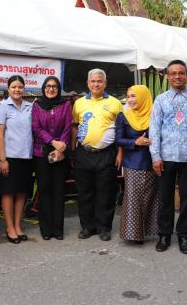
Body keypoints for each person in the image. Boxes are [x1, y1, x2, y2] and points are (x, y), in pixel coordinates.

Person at [149, 60, 187, 255]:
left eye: (181, 73)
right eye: (173, 73)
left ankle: (184, 236)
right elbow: (154, 129)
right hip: (166, 157)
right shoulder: (160, 100)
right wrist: (155, 156)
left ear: (186, 75)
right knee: (165, 197)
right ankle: (164, 235)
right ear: (168, 76)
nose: (177, 76)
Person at [72, 68, 123, 242]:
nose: (96, 84)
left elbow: (121, 130)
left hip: (107, 154)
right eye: (93, 81)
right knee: (84, 192)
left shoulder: (115, 103)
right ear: (88, 84)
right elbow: (75, 126)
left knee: (105, 192)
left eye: (99, 81)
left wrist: (120, 153)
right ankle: (87, 226)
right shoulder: (79, 103)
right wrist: (73, 151)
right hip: (83, 153)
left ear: (105, 83)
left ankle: (104, 227)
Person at [115, 85, 158, 243]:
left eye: (134, 96)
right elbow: (118, 140)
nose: (130, 100)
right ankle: (133, 234)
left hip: (153, 162)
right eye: (128, 96)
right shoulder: (124, 116)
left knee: (151, 198)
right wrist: (135, 142)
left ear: (144, 97)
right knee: (134, 198)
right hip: (133, 163)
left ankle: (149, 230)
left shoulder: (155, 114)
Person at [32, 76, 72, 240]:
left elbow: (68, 127)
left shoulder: (66, 104)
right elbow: (36, 127)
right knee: (44, 190)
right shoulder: (37, 105)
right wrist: (52, 142)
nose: (51, 89)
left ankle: (58, 229)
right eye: (48, 86)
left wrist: (60, 147)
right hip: (42, 152)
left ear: (58, 88)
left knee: (59, 190)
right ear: (43, 88)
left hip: (60, 152)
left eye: (54, 86)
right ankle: (46, 229)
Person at [0, 75, 33, 244]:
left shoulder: (30, 106)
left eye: (20, 87)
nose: (17, 89)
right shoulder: (2, 106)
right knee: (8, 192)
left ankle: (18, 225)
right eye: (14, 87)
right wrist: (2, 159)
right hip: (9, 157)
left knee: (21, 192)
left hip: (26, 156)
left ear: (24, 89)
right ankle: (9, 227)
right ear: (8, 89)